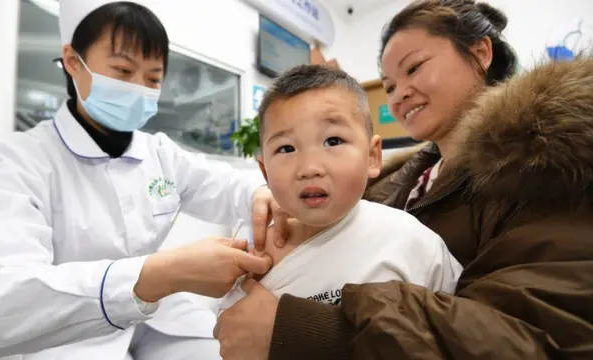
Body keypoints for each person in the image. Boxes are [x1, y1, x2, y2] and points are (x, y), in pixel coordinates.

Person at [214, 1, 593, 359]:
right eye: (389, 85)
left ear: (480, 53)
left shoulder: (549, 169)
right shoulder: (403, 181)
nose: (398, 95)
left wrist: (311, 331)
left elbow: (543, 337)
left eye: (413, 68)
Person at [0, 0, 285, 359]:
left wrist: (264, 192)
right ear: (72, 61)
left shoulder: (160, 153)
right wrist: (156, 273)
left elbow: (227, 186)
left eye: (153, 78)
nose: (139, 88)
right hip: (66, 334)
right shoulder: (15, 160)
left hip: (161, 316)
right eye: (123, 71)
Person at [213, 65, 462, 319]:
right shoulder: (256, 259)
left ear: (372, 157)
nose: (309, 168)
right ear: (265, 173)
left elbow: (452, 328)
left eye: (333, 141)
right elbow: (232, 333)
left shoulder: (411, 241)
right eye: (286, 148)